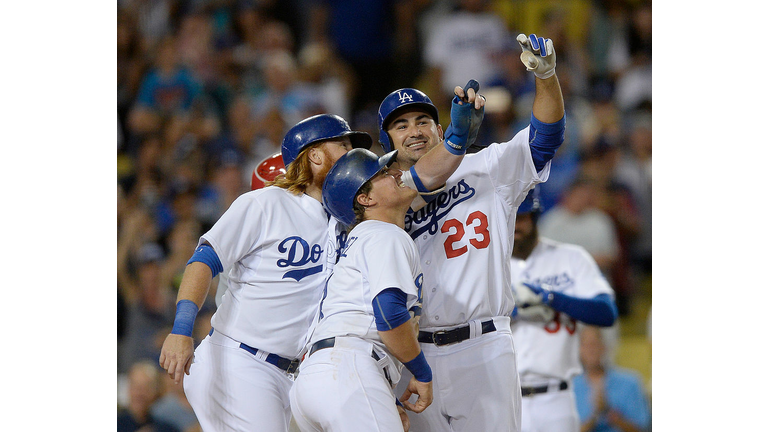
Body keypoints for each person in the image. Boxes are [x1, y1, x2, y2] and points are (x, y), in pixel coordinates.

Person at [158, 103, 473, 432]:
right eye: (343, 145)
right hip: (240, 359)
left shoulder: (346, 220)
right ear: (315, 157)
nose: (352, 153)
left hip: (296, 372)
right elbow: (204, 260)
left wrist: (456, 138)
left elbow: (420, 178)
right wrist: (181, 330)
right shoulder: (267, 202)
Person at [390, 33, 567, 432]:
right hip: (414, 355)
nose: (414, 130)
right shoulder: (380, 198)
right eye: (401, 126)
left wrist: (547, 77)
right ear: (388, 141)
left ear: (441, 128)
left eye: (422, 121)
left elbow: (546, 138)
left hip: (483, 345)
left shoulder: (487, 165)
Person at [290, 148, 430, 431]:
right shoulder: (384, 234)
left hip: (318, 376)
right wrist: (422, 373)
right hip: (349, 368)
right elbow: (389, 316)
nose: (395, 173)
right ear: (365, 199)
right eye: (382, 173)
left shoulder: (363, 239)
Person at [508, 186, 618, 432]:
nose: (516, 226)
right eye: (510, 218)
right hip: (505, 397)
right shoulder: (489, 263)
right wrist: (511, 311)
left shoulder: (571, 258)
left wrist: (551, 298)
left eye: (523, 217)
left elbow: (606, 312)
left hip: (557, 398)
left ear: (535, 218)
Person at [572, 326, 651, 432]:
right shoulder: (571, 387)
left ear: (604, 346)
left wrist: (608, 411)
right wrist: (595, 415)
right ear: (578, 350)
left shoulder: (630, 382)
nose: (591, 349)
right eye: (585, 345)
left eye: (595, 344)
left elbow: (642, 428)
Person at [118, 360, 181, 432]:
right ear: (128, 388)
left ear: (156, 392)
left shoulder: (165, 427)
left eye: (146, 388)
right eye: (135, 387)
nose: (139, 394)